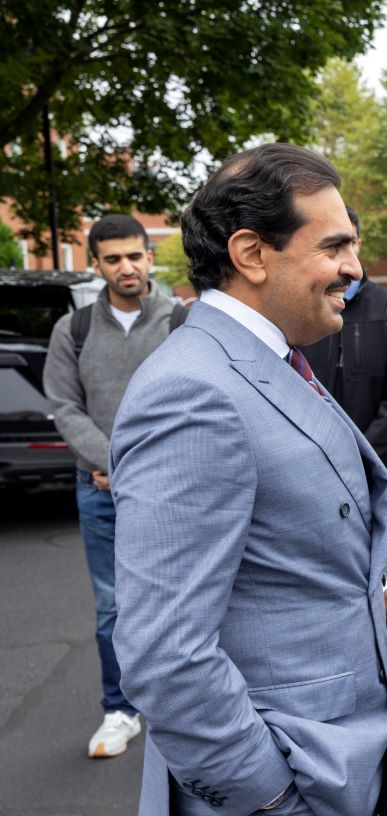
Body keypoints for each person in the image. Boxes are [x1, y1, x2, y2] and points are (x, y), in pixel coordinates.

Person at [109, 143, 387, 816]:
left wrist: (378, 593)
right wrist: (270, 797)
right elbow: (164, 657)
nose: (355, 268)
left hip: (333, 763)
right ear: (251, 254)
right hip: (287, 784)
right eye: (335, 246)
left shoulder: (268, 358)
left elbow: (272, 542)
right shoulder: (192, 391)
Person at [42, 213, 179, 758]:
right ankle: (120, 710)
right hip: (99, 491)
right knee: (113, 608)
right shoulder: (71, 331)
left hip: (173, 492)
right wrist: (113, 463)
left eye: (135, 255)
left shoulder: (180, 321)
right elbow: (64, 407)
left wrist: (137, 467)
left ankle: (183, 703)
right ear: (94, 264)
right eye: (113, 258)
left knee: (189, 597)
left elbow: (192, 401)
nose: (127, 267)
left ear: (150, 256)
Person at [301, 206, 387, 495]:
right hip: (311, 467)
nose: (344, 257)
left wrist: (359, 458)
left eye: (349, 242)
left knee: (376, 541)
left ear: (358, 244)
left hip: (377, 467)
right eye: (332, 246)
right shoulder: (302, 309)